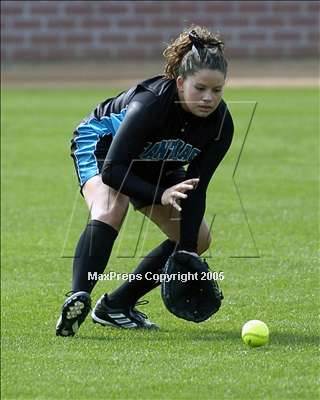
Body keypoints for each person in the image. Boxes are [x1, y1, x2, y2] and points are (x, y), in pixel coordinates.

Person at [56, 25, 234, 337]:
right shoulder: (152, 103)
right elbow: (113, 170)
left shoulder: (220, 125)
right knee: (112, 205)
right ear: (180, 83)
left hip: (156, 161)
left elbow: (197, 186)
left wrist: (188, 251)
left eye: (216, 91)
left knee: (199, 238)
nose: (208, 98)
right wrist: (160, 193)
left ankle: (116, 305)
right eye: (200, 88)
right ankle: (77, 296)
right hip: (105, 147)